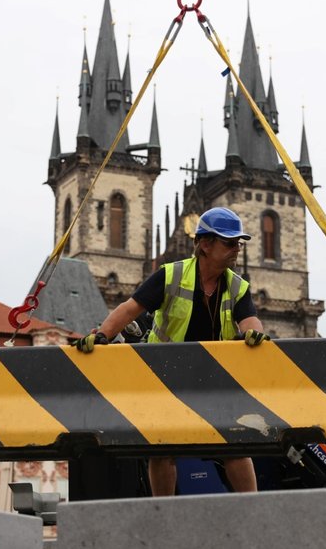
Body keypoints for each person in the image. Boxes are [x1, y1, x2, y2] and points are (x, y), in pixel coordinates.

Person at [74, 206, 270, 497]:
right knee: (162, 447)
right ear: (205, 244)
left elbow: (249, 319)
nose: (236, 250)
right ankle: (163, 511)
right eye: (229, 243)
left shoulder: (237, 286)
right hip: (164, 374)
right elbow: (130, 309)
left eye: (238, 244)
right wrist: (103, 334)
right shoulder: (170, 275)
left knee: (235, 443)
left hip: (212, 377)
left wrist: (256, 333)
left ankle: (253, 506)